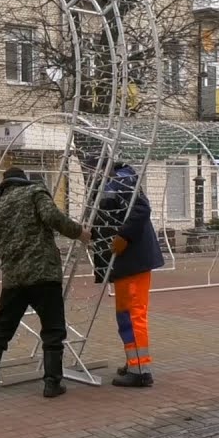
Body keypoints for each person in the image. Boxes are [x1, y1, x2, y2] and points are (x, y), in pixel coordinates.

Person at [0, 167, 91, 398]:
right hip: (43, 274)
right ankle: (52, 383)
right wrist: (79, 233)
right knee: (53, 328)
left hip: (14, 278)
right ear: (23, 180)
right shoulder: (35, 192)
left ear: (4, 186)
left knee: (2, 327)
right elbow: (52, 217)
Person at [91, 161, 163, 388]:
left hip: (131, 260)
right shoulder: (115, 179)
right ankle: (134, 362)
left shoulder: (121, 179)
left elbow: (141, 209)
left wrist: (124, 236)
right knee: (126, 316)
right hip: (125, 262)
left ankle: (140, 370)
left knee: (132, 315)